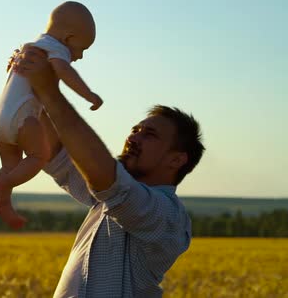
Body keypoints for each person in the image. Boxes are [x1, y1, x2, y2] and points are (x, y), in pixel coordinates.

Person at [12, 47, 205, 297]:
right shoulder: (106, 201)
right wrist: (28, 84)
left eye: (150, 135)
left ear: (176, 159)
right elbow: (55, 151)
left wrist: (49, 91)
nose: (133, 137)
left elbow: (104, 174)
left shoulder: (168, 216)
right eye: (135, 130)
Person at [0, 1, 103, 229]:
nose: (80, 56)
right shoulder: (55, 48)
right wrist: (88, 94)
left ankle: (3, 200)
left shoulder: (27, 48)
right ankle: (5, 185)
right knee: (39, 156)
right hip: (22, 119)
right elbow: (65, 72)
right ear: (68, 38)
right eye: (81, 49)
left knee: (11, 162)